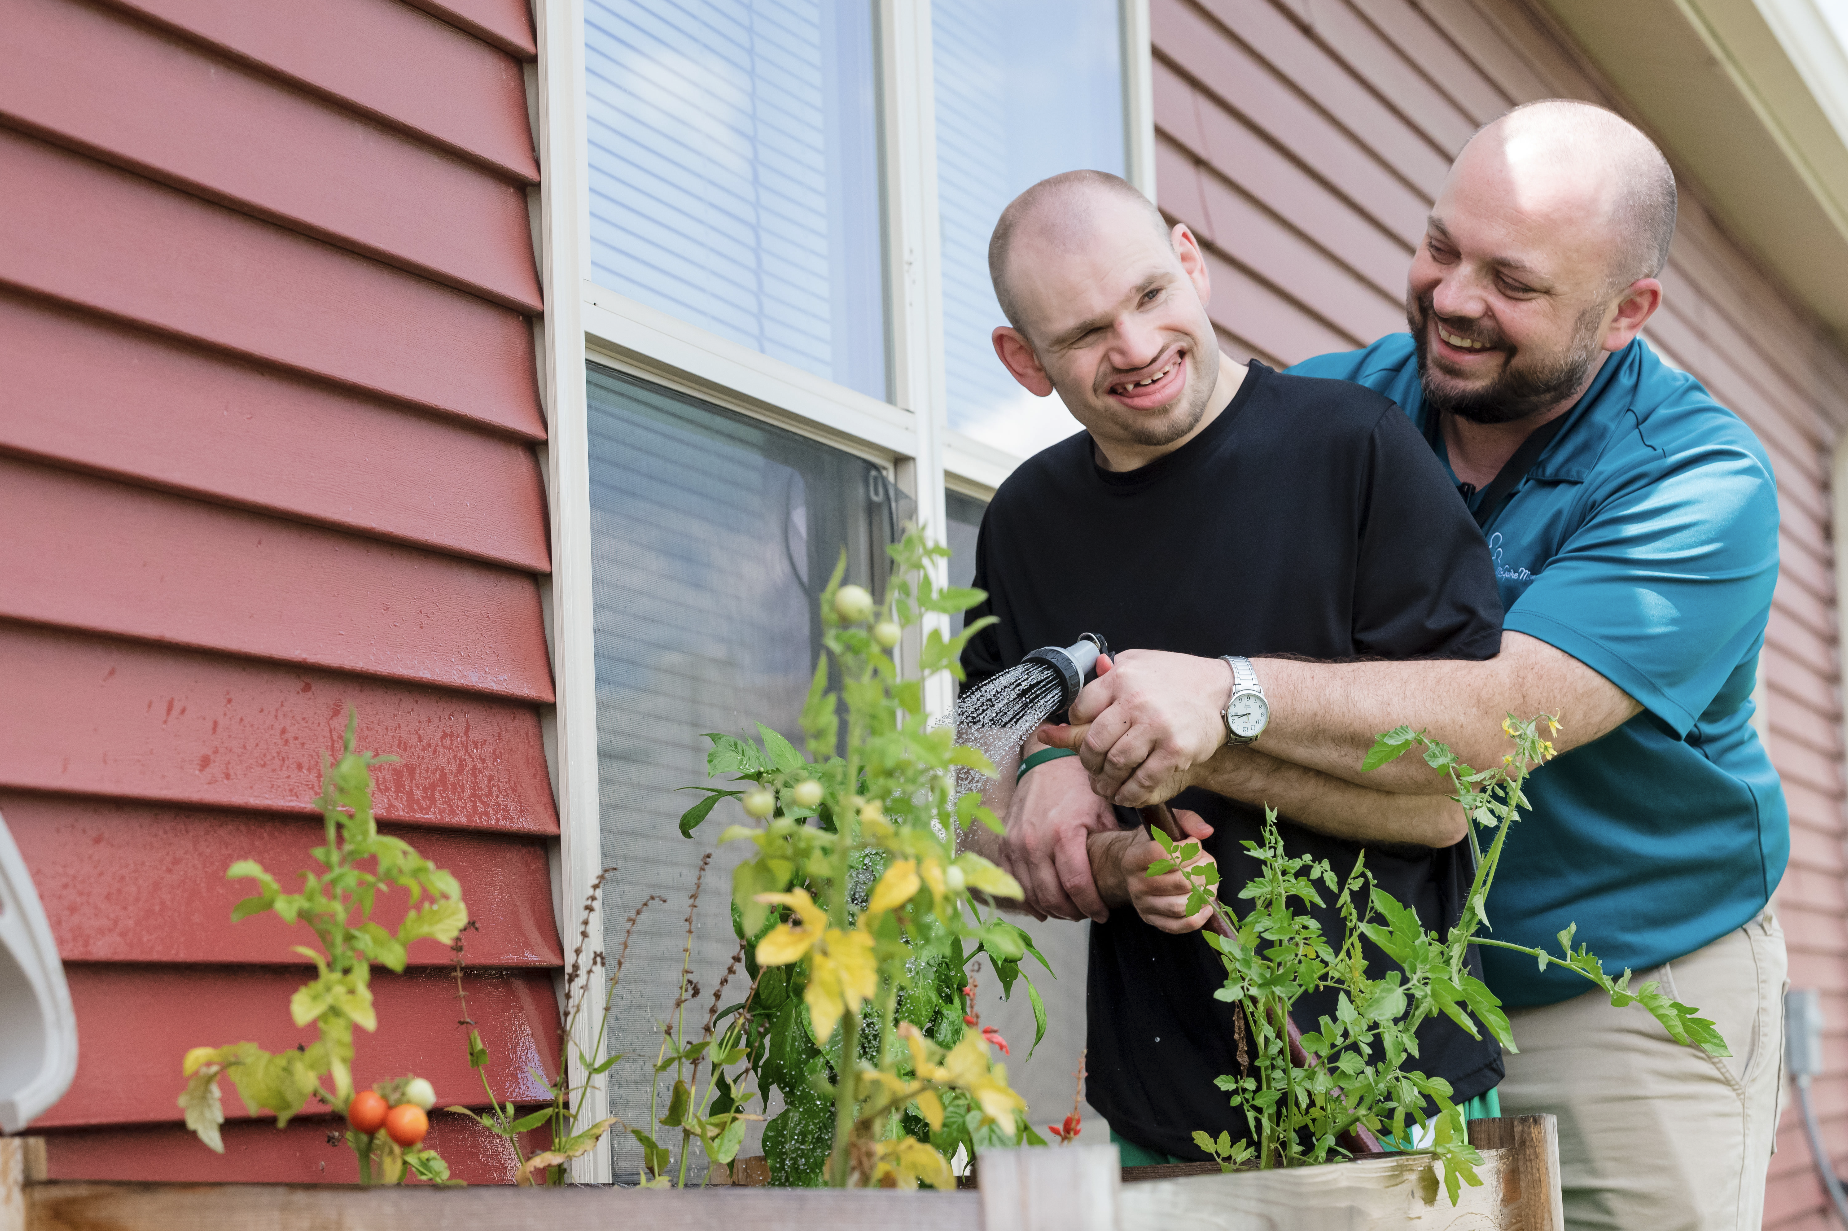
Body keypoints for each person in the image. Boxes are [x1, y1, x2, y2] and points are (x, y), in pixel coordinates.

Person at [1034, 102, 1785, 1231]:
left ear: (1626, 312)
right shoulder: (1340, 409)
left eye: (1513, 283)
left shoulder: (1697, 485)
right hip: (1378, 1002)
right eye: (1441, 246)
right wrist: (1058, 762)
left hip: (1615, 986)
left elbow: (1493, 726)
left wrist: (1230, 694)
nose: (1452, 298)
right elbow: (1148, 555)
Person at [956, 168, 1508, 1165]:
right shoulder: (1025, 525)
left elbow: (1455, 792)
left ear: (1190, 263)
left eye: (1148, 295)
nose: (1133, 348)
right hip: (1161, 1113)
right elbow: (971, 819)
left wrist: (1219, 718)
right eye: (1083, 335)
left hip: (1385, 1086)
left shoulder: (1358, 451)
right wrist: (1083, 833)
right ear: (1023, 360)